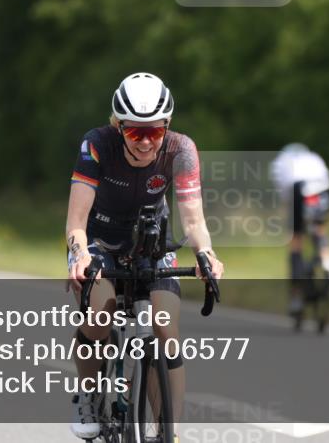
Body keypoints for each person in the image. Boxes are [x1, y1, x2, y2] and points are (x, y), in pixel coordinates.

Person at [66, 72, 225, 440]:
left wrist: (206, 254)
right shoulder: (96, 145)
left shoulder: (181, 150)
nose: (145, 142)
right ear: (118, 126)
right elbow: (76, 220)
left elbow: (194, 219)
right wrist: (78, 256)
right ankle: (89, 394)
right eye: (135, 132)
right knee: (100, 309)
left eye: (154, 132)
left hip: (152, 245)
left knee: (166, 327)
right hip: (98, 244)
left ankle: (170, 433)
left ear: (166, 126)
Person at [270, 143, 329, 315]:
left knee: (296, 239)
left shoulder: (281, 161)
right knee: (320, 230)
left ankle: (297, 295)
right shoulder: (315, 158)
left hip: (298, 190)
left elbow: (284, 195)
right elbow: (328, 179)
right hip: (320, 190)